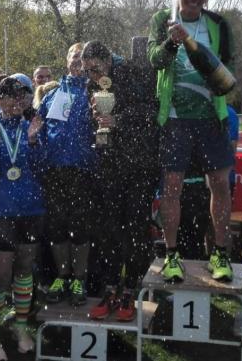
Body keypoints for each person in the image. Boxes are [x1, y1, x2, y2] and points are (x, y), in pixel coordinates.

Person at [147, 0, 235, 282]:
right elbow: (154, 60)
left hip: (211, 117)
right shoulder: (162, 19)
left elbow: (227, 67)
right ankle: (172, 255)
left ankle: (220, 254)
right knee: (172, 187)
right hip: (174, 119)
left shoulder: (218, 24)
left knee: (220, 184)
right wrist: (172, 43)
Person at [80, 41, 160, 322]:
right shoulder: (92, 85)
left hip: (140, 164)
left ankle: (131, 289)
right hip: (109, 162)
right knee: (109, 227)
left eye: (94, 68)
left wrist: (119, 120)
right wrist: (97, 118)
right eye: (87, 70)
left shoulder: (133, 73)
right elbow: (95, 120)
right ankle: (111, 286)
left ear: (107, 60)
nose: (91, 75)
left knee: (135, 226)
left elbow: (151, 112)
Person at [0, 76, 45, 358]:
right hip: (0, 211)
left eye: (20, 96)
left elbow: (42, 167)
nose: (15, 101)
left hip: (31, 208)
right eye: (8, 96)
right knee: (1, 276)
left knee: (25, 270)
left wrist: (33, 141)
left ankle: (20, 326)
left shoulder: (33, 127)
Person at [37, 42, 96, 306]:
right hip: (54, 169)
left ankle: (79, 278)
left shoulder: (95, 92)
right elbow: (39, 130)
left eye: (81, 57)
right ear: (66, 60)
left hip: (82, 168)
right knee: (57, 226)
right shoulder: (51, 95)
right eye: (73, 55)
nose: (76, 60)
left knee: (80, 226)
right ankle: (62, 275)